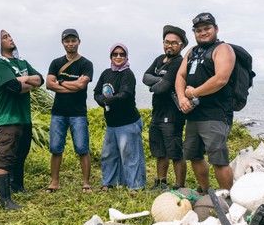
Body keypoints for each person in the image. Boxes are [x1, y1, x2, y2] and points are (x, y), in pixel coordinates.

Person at [175, 12, 236, 192]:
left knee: (218, 159)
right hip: (194, 114)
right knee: (194, 155)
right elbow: (180, 75)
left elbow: (221, 79)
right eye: (198, 30)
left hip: (215, 114)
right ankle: (205, 191)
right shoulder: (192, 51)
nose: (203, 32)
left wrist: (194, 93)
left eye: (207, 28)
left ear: (216, 29)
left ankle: (229, 198)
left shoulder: (222, 49)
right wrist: (181, 98)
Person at [0, 29, 43, 209]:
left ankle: (17, 186)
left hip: (24, 117)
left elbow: (40, 80)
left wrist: (22, 80)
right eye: (4, 37)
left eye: (9, 35)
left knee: (21, 153)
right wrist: (24, 82)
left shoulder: (22, 62)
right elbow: (12, 86)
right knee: (5, 157)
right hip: (7, 118)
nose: (10, 38)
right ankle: (4, 200)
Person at [93, 43, 146, 196]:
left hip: (128, 122)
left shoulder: (127, 74)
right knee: (108, 155)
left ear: (126, 56)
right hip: (112, 123)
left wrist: (106, 101)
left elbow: (125, 95)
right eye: (115, 54)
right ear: (111, 56)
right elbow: (96, 92)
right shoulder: (105, 73)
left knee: (130, 155)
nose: (118, 57)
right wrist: (102, 100)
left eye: (121, 54)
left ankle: (135, 186)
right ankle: (109, 183)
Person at [45, 29, 94, 193]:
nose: (70, 44)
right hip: (58, 113)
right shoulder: (55, 62)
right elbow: (49, 84)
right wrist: (72, 86)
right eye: (67, 41)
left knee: (82, 148)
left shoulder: (86, 64)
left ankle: (86, 183)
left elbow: (82, 86)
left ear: (79, 41)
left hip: (78, 113)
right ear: (63, 43)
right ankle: (54, 182)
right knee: (56, 148)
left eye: (73, 40)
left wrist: (61, 83)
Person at [143, 25, 188, 191]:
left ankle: (179, 187)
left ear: (182, 45)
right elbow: (145, 77)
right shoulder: (159, 59)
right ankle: (161, 183)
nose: (169, 45)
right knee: (160, 151)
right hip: (157, 113)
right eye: (167, 42)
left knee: (175, 152)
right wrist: (159, 82)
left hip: (173, 115)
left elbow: (163, 87)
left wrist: (155, 84)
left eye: (174, 43)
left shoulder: (179, 62)